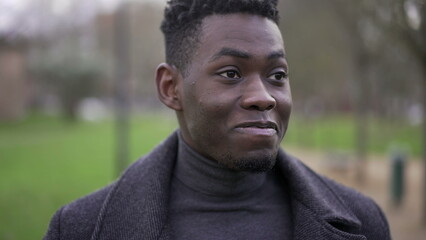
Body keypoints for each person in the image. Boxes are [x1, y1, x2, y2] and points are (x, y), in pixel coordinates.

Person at [44, 0, 391, 239]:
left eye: (277, 74)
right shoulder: (80, 230)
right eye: (230, 73)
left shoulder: (363, 222)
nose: (264, 96)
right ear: (171, 88)